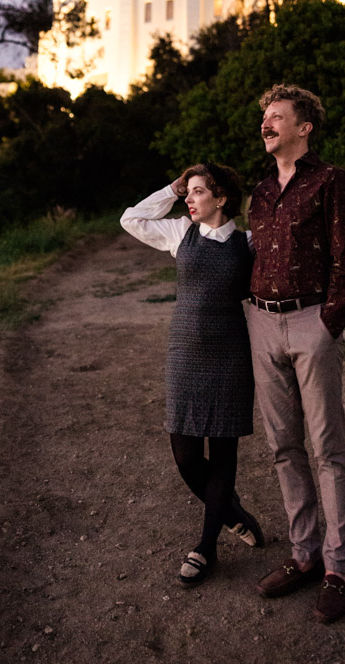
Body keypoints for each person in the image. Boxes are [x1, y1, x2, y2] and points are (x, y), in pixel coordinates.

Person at [246, 84, 345, 624]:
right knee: (283, 447)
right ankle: (304, 555)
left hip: (310, 322)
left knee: (327, 449)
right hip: (262, 324)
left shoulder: (331, 181)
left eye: (276, 116)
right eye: (264, 117)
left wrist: (328, 323)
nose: (266, 124)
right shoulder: (262, 191)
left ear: (304, 126)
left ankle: (338, 569)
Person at [120, 162, 264, 586]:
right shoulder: (179, 232)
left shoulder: (249, 243)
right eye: (189, 193)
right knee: (185, 455)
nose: (190, 199)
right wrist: (173, 186)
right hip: (185, 355)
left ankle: (206, 546)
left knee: (222, 454)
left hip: (230, 356)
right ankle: (233, 513)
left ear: (221, 198)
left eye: (198, 192)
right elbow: (132, 218)